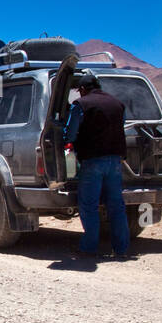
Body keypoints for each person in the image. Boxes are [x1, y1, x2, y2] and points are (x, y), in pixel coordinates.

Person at [63, 72, 130, 258]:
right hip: (115, 160)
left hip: (92, 160)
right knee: (116, 206)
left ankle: (89, 248)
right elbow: (121, 127)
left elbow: (71, 132)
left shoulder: (81, 104)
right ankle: (122, 249)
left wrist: (67, 142)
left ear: (83, 89)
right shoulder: (117, 103)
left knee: (89, 205)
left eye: (79, 91)